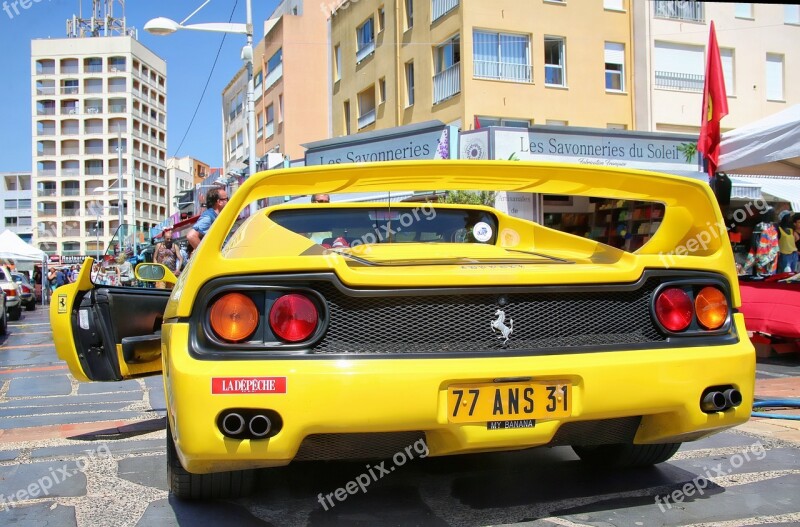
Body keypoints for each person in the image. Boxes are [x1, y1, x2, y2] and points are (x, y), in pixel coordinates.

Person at [743, 208, 779, 276]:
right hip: (762, 252)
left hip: (773, 253)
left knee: (771, 274)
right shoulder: (760, 226)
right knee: (761, 274)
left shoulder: (774, 226)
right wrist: (755, 249)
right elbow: (754, 239)